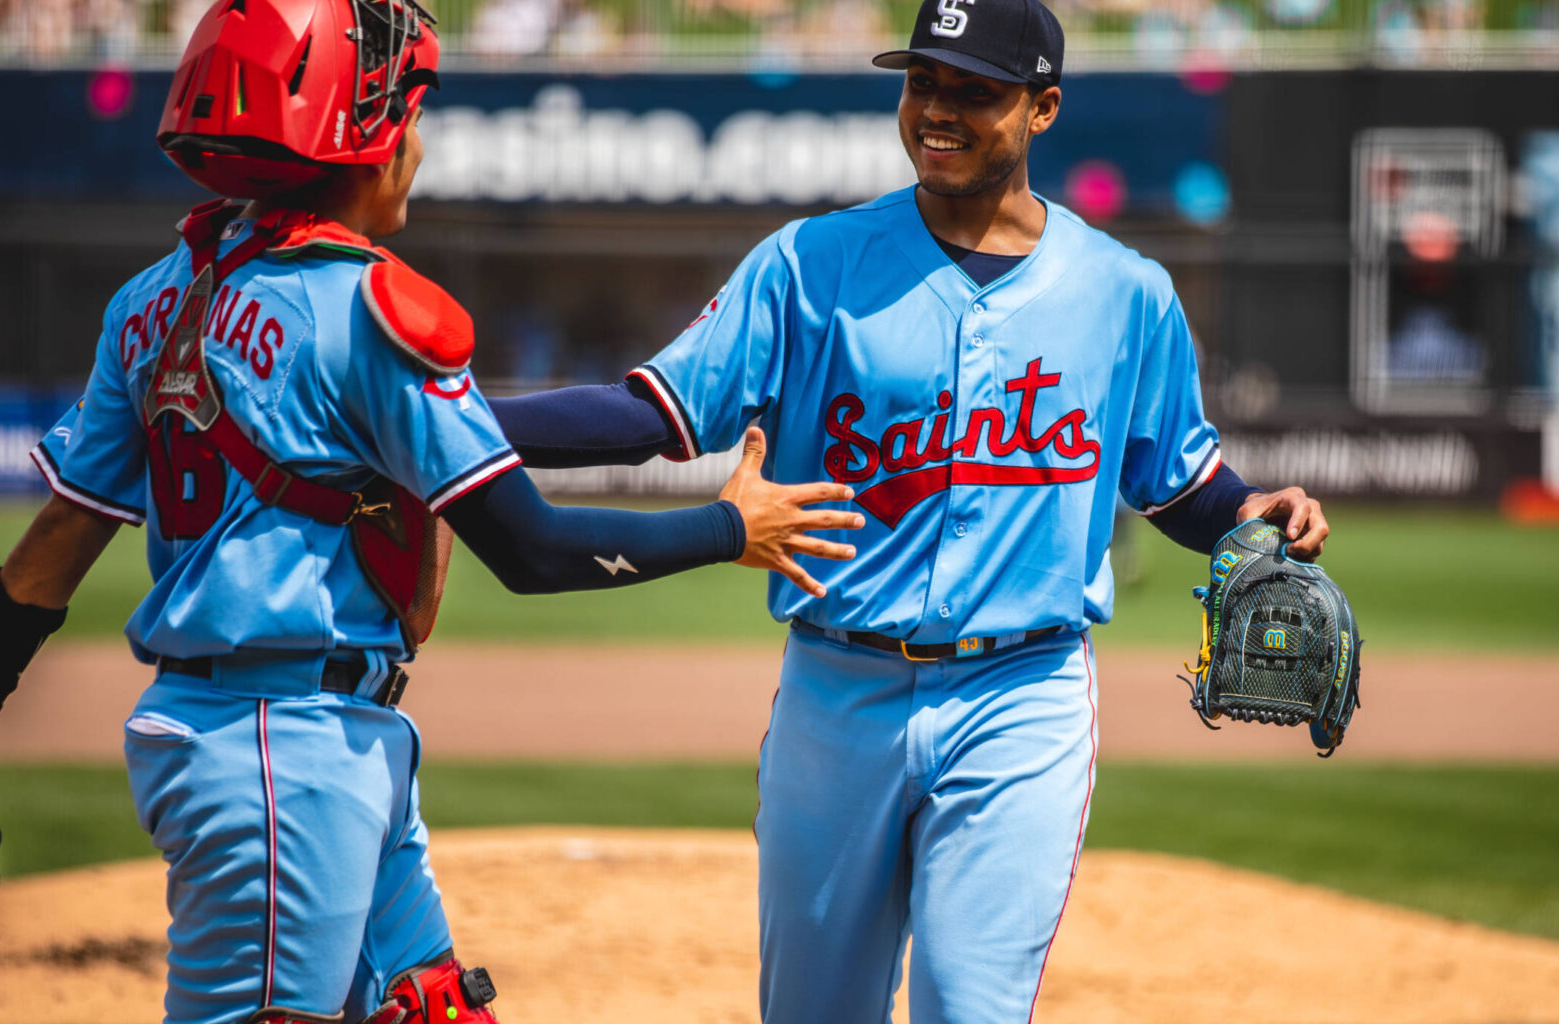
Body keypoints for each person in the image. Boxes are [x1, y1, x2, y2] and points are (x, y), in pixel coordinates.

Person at [0, 0, 860, 1021]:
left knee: (431, 1005)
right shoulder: (367, 308)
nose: (417, 141)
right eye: (407, 113)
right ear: (362, 135)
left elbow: (55, 541)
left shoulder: (154, 297)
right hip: (286, 755)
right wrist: (730, 527)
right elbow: (532, 547)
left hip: (298, 737)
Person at [487, 0, 1330, 1020]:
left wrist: (1255, 513)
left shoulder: (1126, 293)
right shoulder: (810, 264)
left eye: (973, 90)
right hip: (835, 693)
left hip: (1022, 697)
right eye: (923, 80)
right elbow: (645, 414)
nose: (938, 108)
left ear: (1044, 108)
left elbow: (1182, 487)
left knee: (970, 1005)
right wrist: (450, 418)